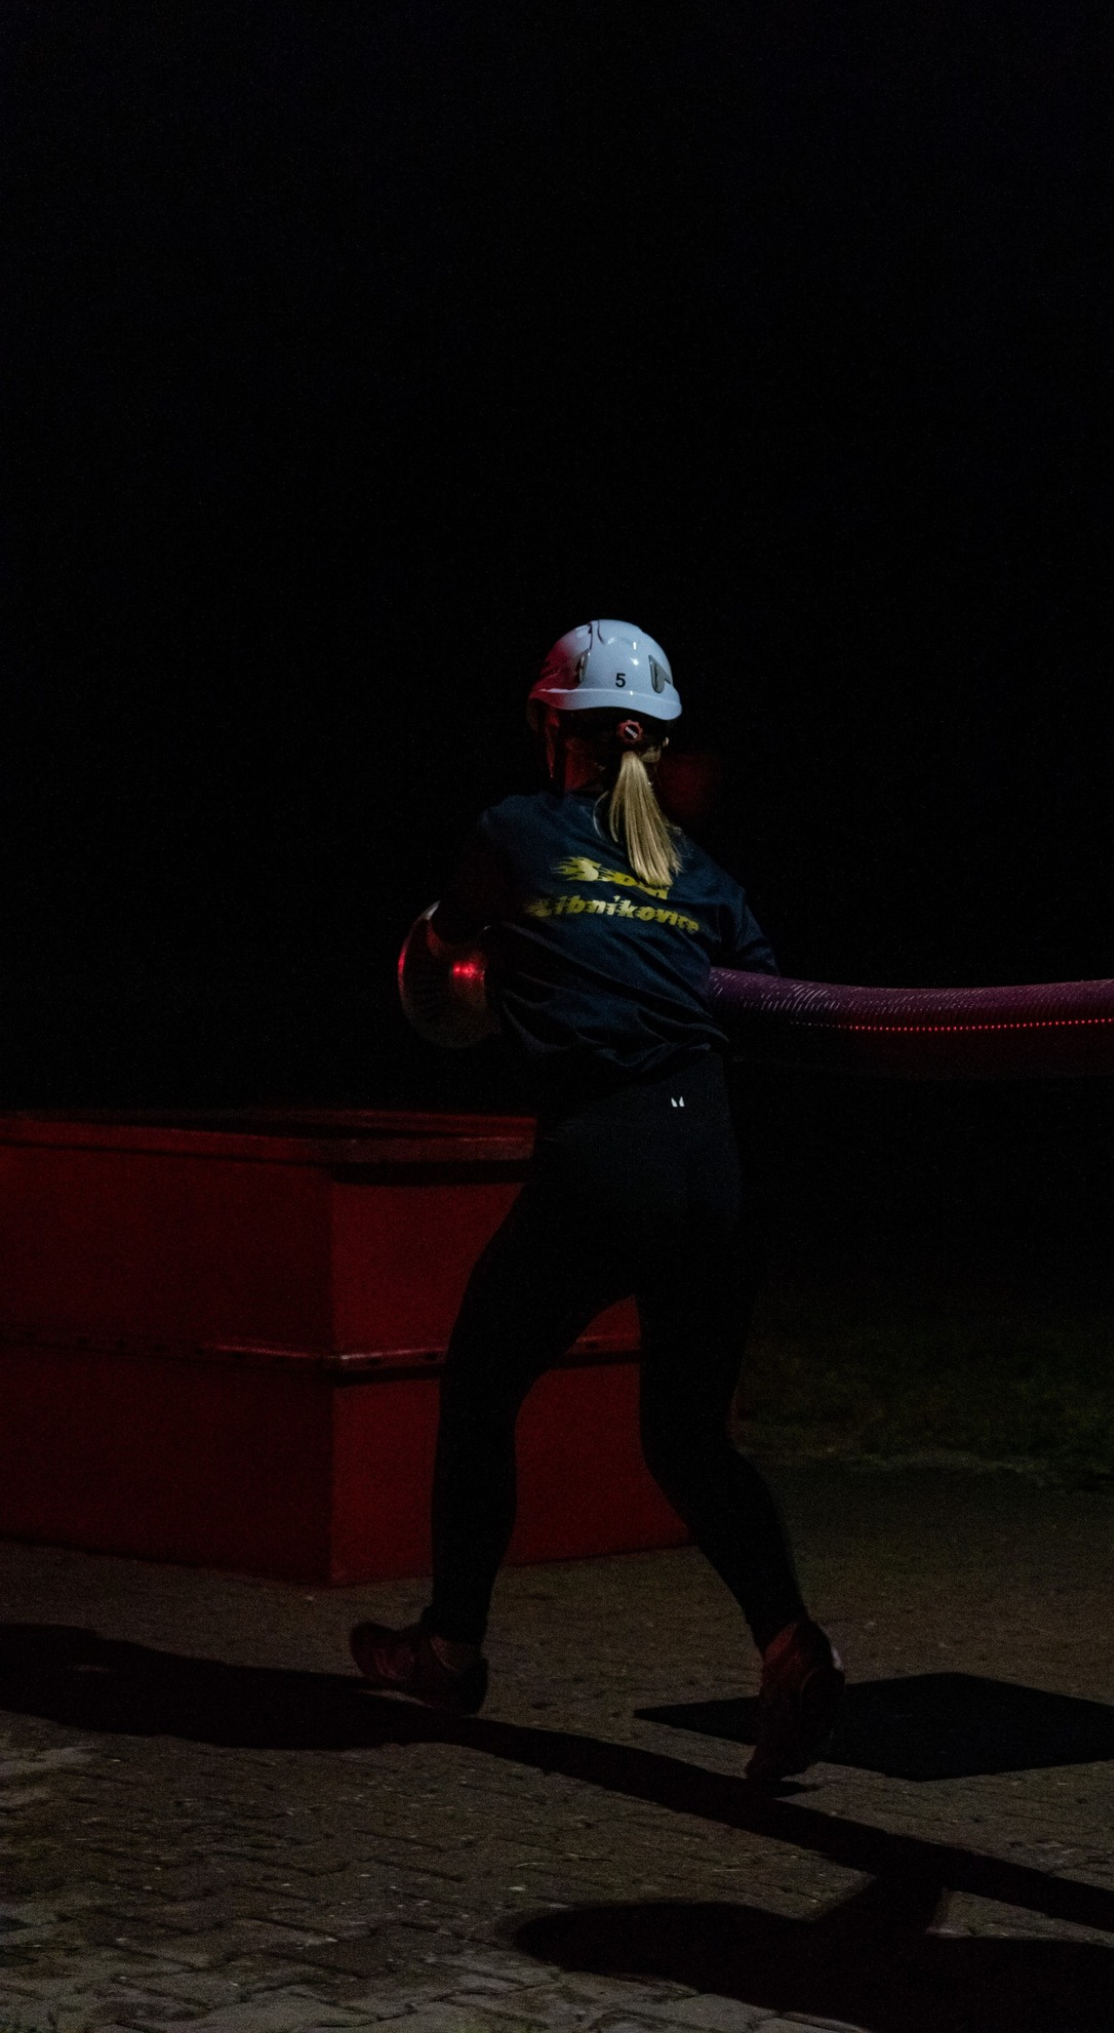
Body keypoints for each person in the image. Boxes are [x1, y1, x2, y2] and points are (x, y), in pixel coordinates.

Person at [351, 618, 844, 1784]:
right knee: (685, 1437)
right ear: (653, 741)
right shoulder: (704, 875)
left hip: (602, 1156)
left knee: (481, 1383)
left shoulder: (513, 831)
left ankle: (449, 1649)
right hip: (713, 1167)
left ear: (548, 727)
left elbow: (440, 972)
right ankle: (792, 1646)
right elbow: (771, 1007)